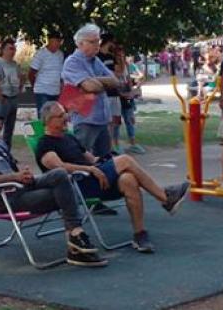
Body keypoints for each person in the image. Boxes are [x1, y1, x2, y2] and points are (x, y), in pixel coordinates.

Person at [0, 105, 107, 267]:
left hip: (22, 188)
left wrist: (24, 175)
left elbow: (14, 172)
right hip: (5, 198)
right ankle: (76, 240)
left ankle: (75, 238)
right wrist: (15, 177)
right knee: (66, 193)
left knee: (60, 174)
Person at [34, 101, 188, 253]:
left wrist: (104, 162)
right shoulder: (45, 144)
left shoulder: (69, 138)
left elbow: (92, 159)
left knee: (128, 179)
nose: (66, 117)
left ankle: (140, 234)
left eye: (65, 113)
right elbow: (59, 168)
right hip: (77, 186)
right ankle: (165, 197)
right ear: (48, 121)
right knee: (126, 160)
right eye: (61, 115)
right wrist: (90, 169)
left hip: (95, 181)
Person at [61, 24, 121, 158]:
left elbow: (115, 81)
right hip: (85, 119)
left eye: (98, 41)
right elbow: (90, 87)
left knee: (105, 160)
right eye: (93, 42)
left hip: (101, 119)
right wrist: (100, 83)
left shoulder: (96, 60)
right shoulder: (72, 62)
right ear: (80, 43)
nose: (97, 45)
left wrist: (93, 80)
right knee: (81, 159)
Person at [0, 38, 24, 149]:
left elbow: (20, 77)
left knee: (10, 129)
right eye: (10, 48)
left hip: (13, 98)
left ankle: (7, 153)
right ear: (3, 50)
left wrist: (19, 88)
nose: (13, 51)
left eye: (14, 48)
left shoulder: (15, 64)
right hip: (3, 98)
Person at [29, 31, 64, 114]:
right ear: (50, 41)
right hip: (42, 90)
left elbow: (61, 73)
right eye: (56, 41)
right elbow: (31, 73)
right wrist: (35, 85)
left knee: (54, 116)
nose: (58, 44)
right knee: (43, 116)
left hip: (55, 91)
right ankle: (41, 127)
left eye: (60, 41)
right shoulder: (41, 54)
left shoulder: (60, 54)